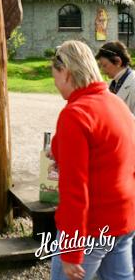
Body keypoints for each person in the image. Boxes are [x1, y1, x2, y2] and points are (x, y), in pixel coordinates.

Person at [50, 40, 135, 280]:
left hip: (92, 227)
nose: (55, 84)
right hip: (123, 219)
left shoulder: (75, 114)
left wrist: (71, 250)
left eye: (54, 76)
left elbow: (74, 190)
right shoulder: (115, 103)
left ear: (66, 72)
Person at [95, 40, 135, 114]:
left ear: (118, 61)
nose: (102, 70)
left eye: (104, 65)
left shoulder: (133, 83)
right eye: (101, 66)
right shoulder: (112, 84)